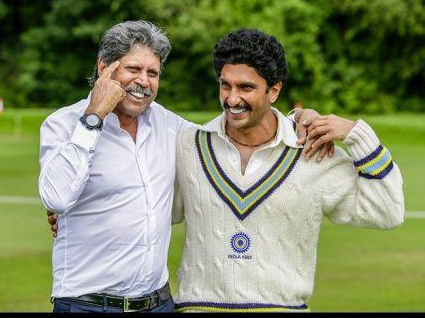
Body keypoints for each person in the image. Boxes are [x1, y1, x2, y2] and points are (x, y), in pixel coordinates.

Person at [40, 21, 327, 313]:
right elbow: (57, 198)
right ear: (104, 68)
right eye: (133, 69)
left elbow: (232, 133)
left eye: (152, 73)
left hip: (159, 304)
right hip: (87, 305)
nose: (143, 81)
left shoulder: (172, 128)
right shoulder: (63, 123)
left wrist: (298, 119)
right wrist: (95, 115)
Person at [172, 28, 405, 312]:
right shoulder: (187, 145)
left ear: (274, 90)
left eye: (246, 88)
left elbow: (387, 212)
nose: (232, 99)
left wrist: (356, 134)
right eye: (225, 85)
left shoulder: (313, 152)